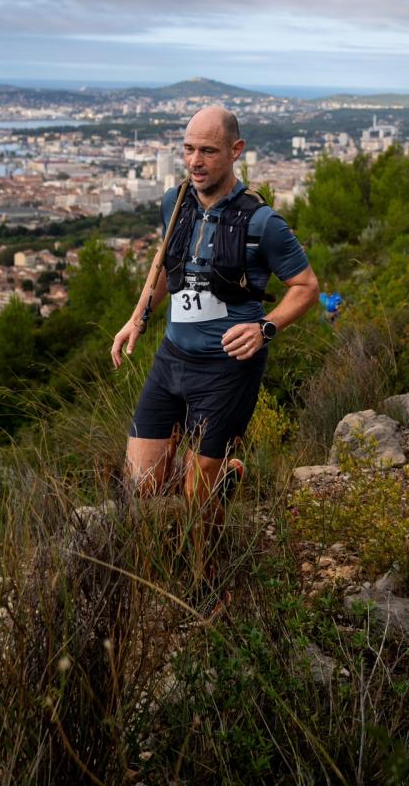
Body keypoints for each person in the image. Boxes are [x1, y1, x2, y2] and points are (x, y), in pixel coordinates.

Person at [111, 106, 319, 574]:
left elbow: (307, 287)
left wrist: (265, 328)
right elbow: (166, 266)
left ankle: (209, 578)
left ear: (235, 151)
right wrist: (137, 319)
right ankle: (223, 473)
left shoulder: (263, 222)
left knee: (197, 497)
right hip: (172, 359)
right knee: (143, 484)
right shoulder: (174, 202)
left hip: (228, 367)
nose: (195, 161)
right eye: (188, 149)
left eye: (207, 150)